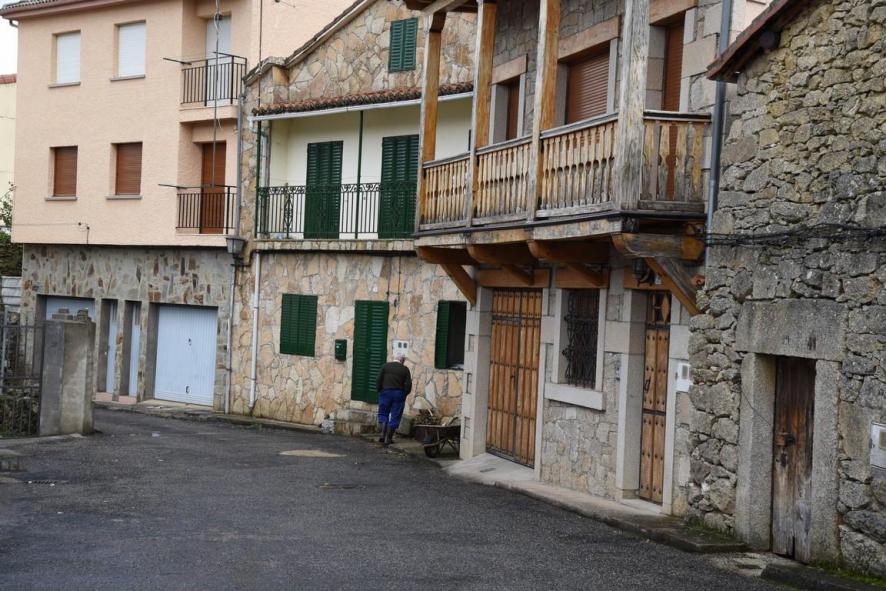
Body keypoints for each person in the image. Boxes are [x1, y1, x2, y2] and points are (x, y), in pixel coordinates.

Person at [376, 353, 412, 446]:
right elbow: (408, 385)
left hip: (385, 392)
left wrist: (379, 390)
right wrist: (404, 394)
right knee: (395, 415)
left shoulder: (385, 366)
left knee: (383, 413)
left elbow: (379, 379)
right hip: (398, 394)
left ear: (395, 358)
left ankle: (382, 435)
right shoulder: (405, 369)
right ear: (402, 361)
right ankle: (388, 439)